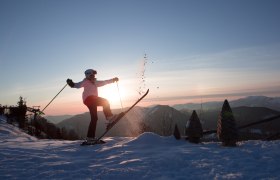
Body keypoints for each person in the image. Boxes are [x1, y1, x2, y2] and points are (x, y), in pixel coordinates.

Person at [66, 69, 119, 141]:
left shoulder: (95, 82)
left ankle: (90, 137)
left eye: (94, 75)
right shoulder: (85, 81)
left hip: (92, 100)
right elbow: (77, 85)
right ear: (88, 75)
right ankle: (109, 117)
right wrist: (71, 83)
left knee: (94, 118)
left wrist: (112, 80)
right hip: (89, 99)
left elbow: (104, 82)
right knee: (105, 101)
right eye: (92, 75)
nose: (93, 76)